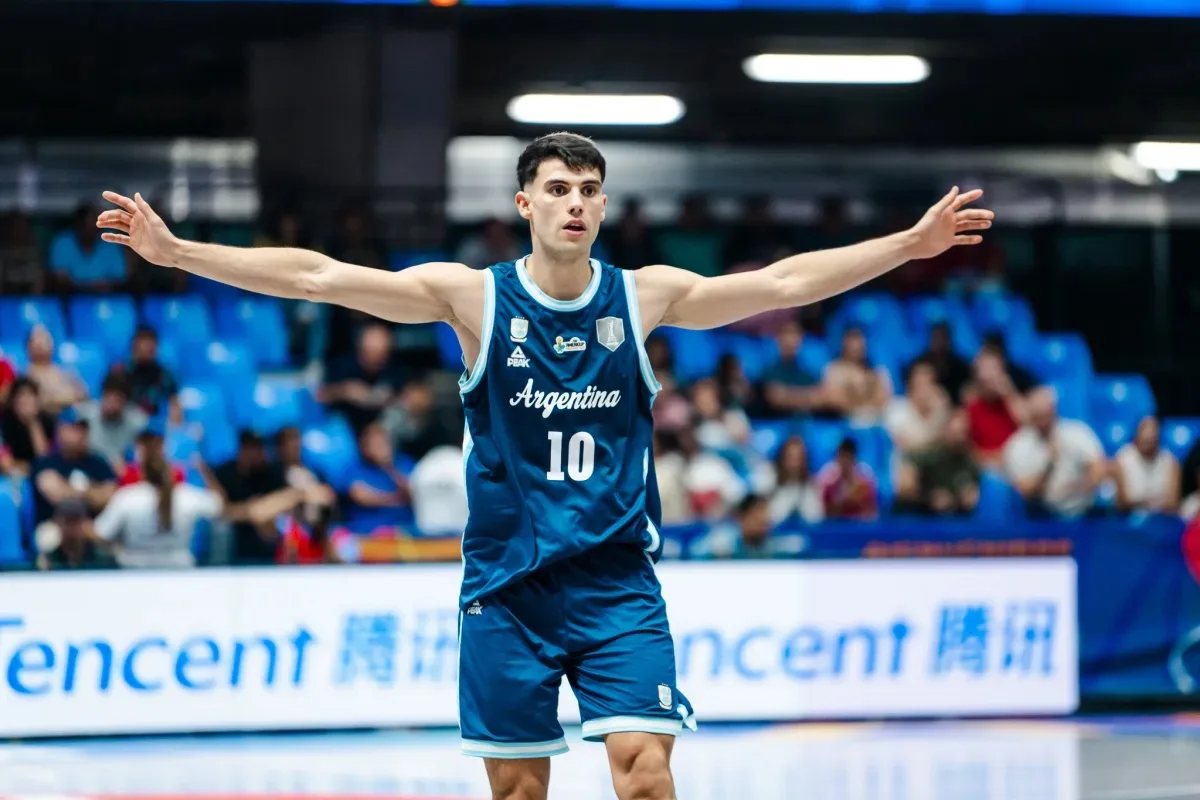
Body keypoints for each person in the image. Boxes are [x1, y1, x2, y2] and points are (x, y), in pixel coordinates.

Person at [97, 131, 992, 800]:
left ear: (602, 209)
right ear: (525, 204)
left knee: (646, 774)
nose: (576, 203)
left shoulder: (644, 296)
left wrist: (905, 247)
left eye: (589, 190)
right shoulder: (474, 298)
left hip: (615, 583)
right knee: (520, 792)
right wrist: (178, 254)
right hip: (507, 588)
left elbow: (787, 284)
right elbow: (317, 277)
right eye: (558, 188)